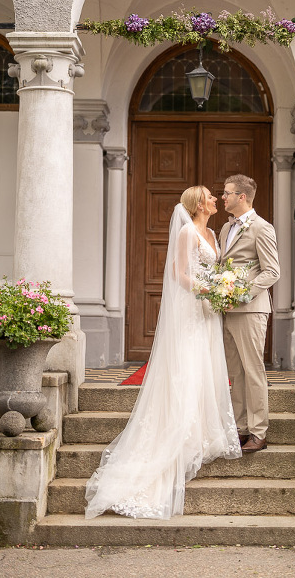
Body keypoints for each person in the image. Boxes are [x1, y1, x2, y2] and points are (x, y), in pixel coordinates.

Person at [85, 186, 241, 520]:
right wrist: (208, 289)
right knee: (188, 366)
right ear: (199, 204)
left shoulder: (212, 232)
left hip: (208, 313)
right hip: (192, 310)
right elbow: (178, 273)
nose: (216, 200)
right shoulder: (187, 231)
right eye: (211, 198)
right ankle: (177, 437)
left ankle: (200, 432)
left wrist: (221, 287)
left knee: (205, 368)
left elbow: (212, 268)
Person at [220, 174, 280, 453]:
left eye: (227, 193)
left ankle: (259, 432)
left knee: (253, 371)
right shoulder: (224, 228)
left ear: (242, 197)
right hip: (226, 311)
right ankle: (241, 428)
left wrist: (240, 295)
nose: (223, 197)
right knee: (236, 373)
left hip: (250, 310)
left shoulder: (261, 228)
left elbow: (272, 272)